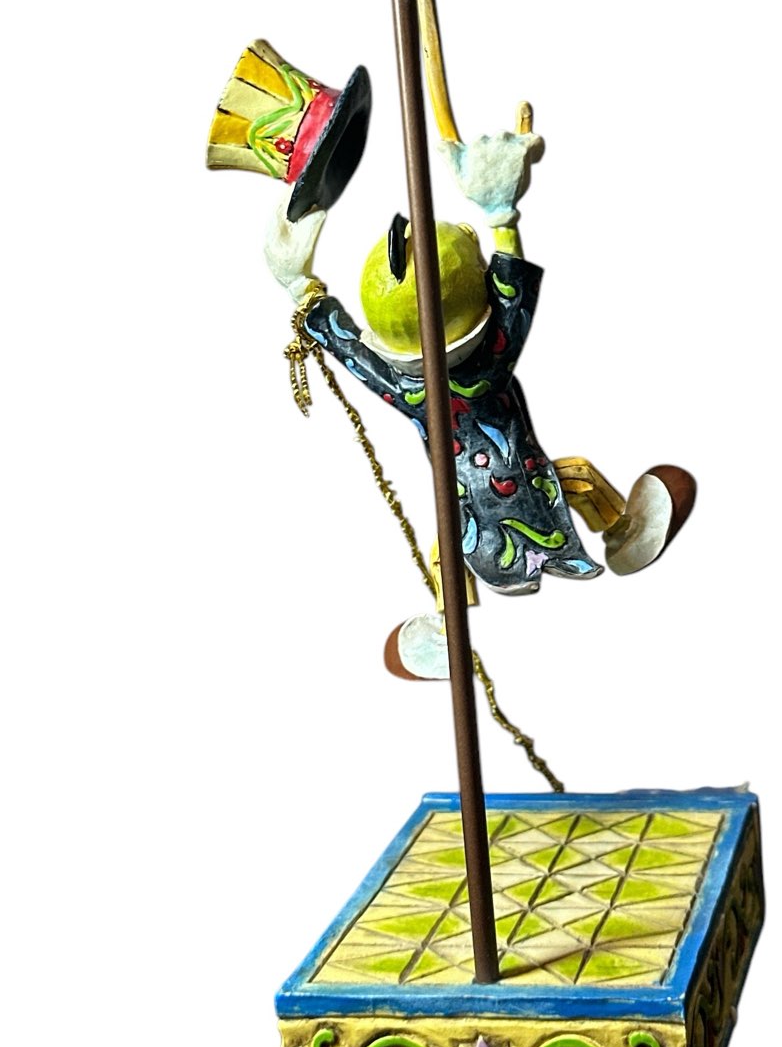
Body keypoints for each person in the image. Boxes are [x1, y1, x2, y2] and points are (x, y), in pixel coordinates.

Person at [265, 112, 694, 677]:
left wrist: (302, 288)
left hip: (469, 515)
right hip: (530, 494)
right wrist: (501, 215)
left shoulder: (406, 387)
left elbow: (352, 353)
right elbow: (513, 301)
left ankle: (450, 625)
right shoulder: (492, 360)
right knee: (580, 479)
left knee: (448, 551)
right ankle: (622, 532)